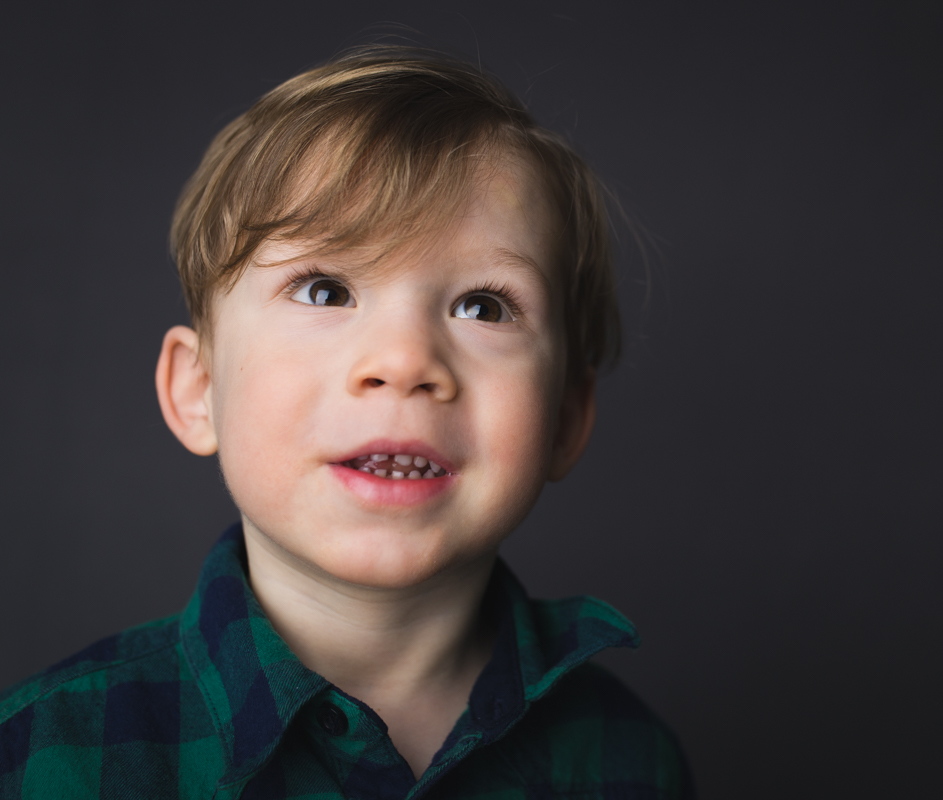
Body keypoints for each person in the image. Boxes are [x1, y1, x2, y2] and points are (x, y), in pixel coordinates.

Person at [0, 46, 693, 799]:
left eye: (483, 307)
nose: (402, 362)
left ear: (565, 418)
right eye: (325, 291)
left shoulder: (631, 763)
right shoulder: (48, 756)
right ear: (199, 389)